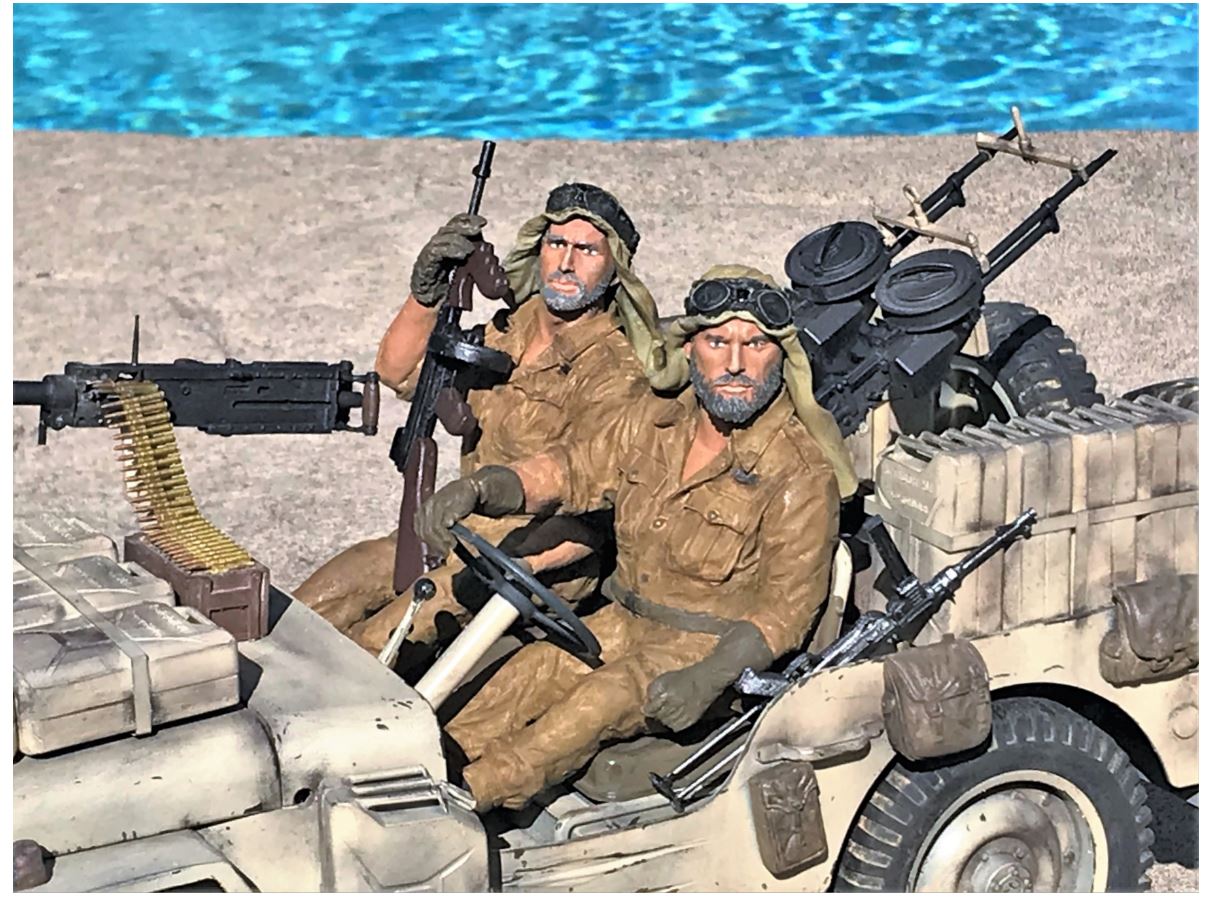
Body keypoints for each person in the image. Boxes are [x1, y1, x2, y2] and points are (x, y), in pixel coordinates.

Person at [418, 265, 859, 812]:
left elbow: (784, 612)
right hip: (618, 623)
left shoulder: (799, 473)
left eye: (756, 345)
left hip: (703, 650)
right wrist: (483, 488)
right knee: (527, 674)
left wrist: (707, 678)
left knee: (596, 703)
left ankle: (458, 807)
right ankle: (416, 773)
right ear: (689, 349)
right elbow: (574, 468)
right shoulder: (654, 421)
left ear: (781, 358)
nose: (736, 364)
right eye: (717, 343)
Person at [294, 183, 665, 657]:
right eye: (556, 243)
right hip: (454, 527)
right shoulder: (510, 328)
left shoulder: (615, 370)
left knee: (375, 646)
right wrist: (425, 296)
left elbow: (580, 471)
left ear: (614, 271)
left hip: (534, 555)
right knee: (310, 606)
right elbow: (399, 372)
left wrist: (484, 490)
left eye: (587, 250)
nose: (567, 263)